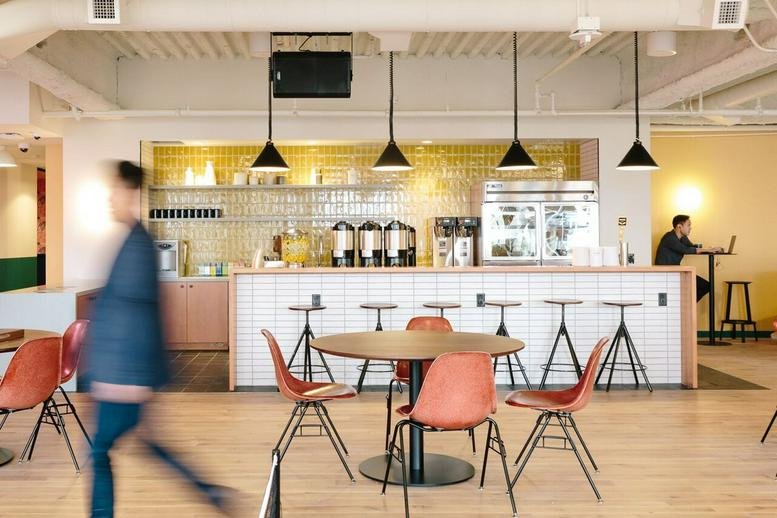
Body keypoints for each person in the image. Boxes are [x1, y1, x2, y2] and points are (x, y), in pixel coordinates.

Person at [84, 161, 232, 518]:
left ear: (129, 191)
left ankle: (208, 492)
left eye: (113, 190)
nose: (109, 199)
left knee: (100, 451)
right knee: (146, 445)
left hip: (123, 377)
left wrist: (127, 381)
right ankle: (209, 492)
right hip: (126, 375)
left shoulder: (136, 246)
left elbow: (135, 316)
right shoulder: (135, 241)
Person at [654, 214, 723, 302]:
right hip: (666, 273)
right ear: (679, 226)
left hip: (675, 271)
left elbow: (692, 247)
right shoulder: (669, 237)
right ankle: (688, 306)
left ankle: (687, 305)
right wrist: (707, 249)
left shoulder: (683, 238)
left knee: (707, 286)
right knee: (705, 286)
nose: (690, 228)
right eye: (688, 225)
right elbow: (686, 249)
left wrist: (711, 249)